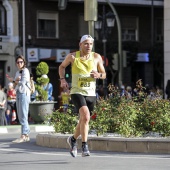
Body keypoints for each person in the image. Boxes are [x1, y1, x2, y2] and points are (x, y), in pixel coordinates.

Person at [58, 35, 106, 157]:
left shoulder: (96, 57)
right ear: (80, 45)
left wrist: (99, 75)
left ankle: (73, 139)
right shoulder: (73, 56)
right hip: (77, 91)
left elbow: (104, 74)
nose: (88, 46)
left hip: (90, 93)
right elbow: (62, 66)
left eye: (90, 44)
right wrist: (62, 79)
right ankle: (84, 146)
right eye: (85, 43)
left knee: (84, 119)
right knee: (85, 115)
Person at [7, 55, 31, 143]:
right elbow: (15, 86)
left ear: (24, 62)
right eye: (17, 62)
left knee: (24, 114)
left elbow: (23, 82)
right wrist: (13, 81)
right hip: (18, 94)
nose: (19, 64)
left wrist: (14, 81)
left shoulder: (26, 71)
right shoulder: (17, 72)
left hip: (24, 94)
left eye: (21, 62)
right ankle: (26, 135)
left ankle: (23, 135)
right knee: (20, 115)